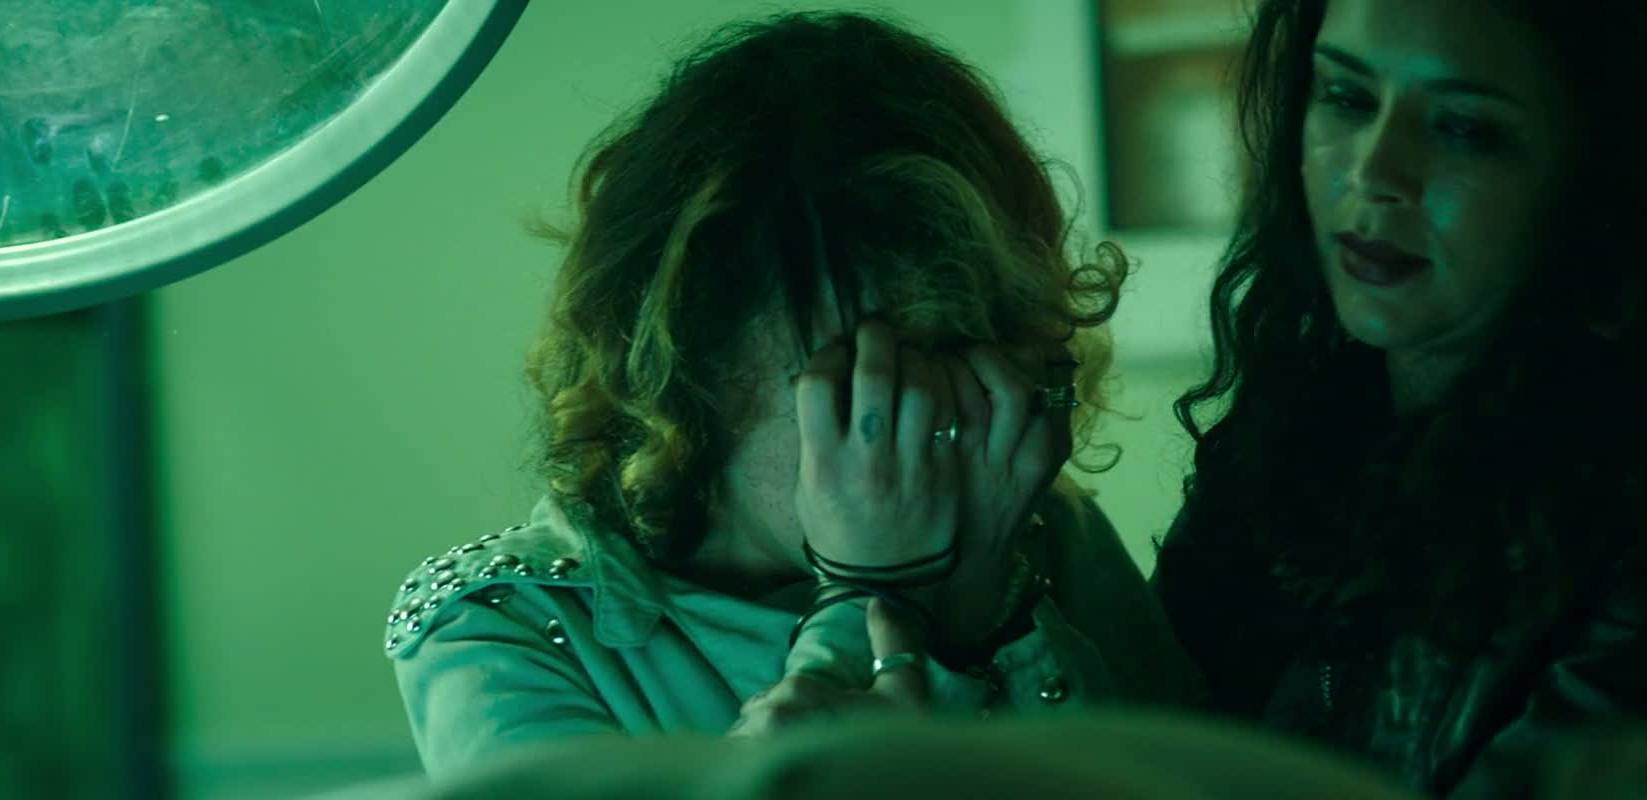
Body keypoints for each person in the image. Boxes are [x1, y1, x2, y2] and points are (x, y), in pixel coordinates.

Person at [724, 0, 1647, 796]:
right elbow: (1169, 746)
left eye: (1464, 127)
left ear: (1609, 172)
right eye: (1345, 96)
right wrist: (971, 610)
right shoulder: (1298, 432)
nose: (1375, 171)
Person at [380, 11, 1201, 780]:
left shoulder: (1050, 536)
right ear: (685, 364)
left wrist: (985, 607)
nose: (935, 421)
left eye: (969, 356)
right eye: (867, 380)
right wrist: (878, 601)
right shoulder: (501, 625)